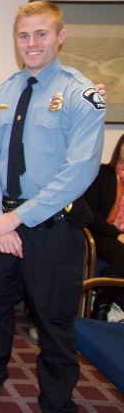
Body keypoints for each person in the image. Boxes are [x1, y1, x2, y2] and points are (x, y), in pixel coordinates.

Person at [0, 0, 106, 411]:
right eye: (24, 35)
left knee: (52, 319)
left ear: (60, 36)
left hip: (52, 227)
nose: (32, 43)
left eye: (41, 33)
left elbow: (80, 171)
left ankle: (56, 400)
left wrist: (17, 219)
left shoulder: (80, 94)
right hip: (2, 221)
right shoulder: (2, 93)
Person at [84, 133, 124, 320]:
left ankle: (119, 308)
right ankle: (100, 309)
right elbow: (91, 213)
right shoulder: (103, 173)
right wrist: (117, 234)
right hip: (101, 232)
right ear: (120, 148)